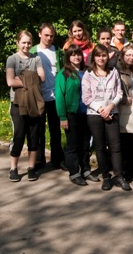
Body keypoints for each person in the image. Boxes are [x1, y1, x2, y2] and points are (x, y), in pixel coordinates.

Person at [82, 45, 130, 191]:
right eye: (98, 56)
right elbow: (86, 97)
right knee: (100, 147)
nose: (101, 58)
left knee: (115, 146)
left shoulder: (113, 72)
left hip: (112, 112)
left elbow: (119, 93)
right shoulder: (88, 74)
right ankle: (106, 177)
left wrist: (110, 107)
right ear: (94, 58)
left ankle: (119, 176)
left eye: (104, 56)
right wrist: (100, 109)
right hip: (94, 115)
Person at [6, 30, 45, 182]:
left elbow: (42, 77)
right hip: (17, 102)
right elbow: (10, 82)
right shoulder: (12, 59)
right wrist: (31, 79)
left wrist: (21, 80)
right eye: (23, 42)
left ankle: (31, 167)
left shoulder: (36, 58)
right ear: (18, 43)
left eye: (29, 42)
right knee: (19, 136)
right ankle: (13, 168)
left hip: (33, 102)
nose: (26, 45)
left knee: (33, 136)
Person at [55, 45, 96, 186]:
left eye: (78, 54)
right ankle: (74, 172)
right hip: (71, 114)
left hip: (87, 113)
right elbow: (59, 96)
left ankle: (86, 170)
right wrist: (62, 117)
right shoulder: (64, 74)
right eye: (72, 55)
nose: (76, 57)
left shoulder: (87, 72)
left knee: (85, 144)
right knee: (73, 144)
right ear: (68, 57)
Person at [30, 23, 65, 171]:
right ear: (39, 34)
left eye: (51, 36)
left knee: (55, 130)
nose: (49, 38)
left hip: (54, 97)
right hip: (38, 96)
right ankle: (39, 160)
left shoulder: (58, 51)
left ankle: (57, 160)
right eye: (46, 35)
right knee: (38, 130)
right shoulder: (32, 51)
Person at [116, 43, 133, 181]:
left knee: (131, 139)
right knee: (124, 139)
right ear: (122, 56)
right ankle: (124, 171)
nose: (131, 57)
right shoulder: (118, 71)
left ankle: (130, 168)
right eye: (128, 55)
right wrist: (123, 98)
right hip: (123, 107)